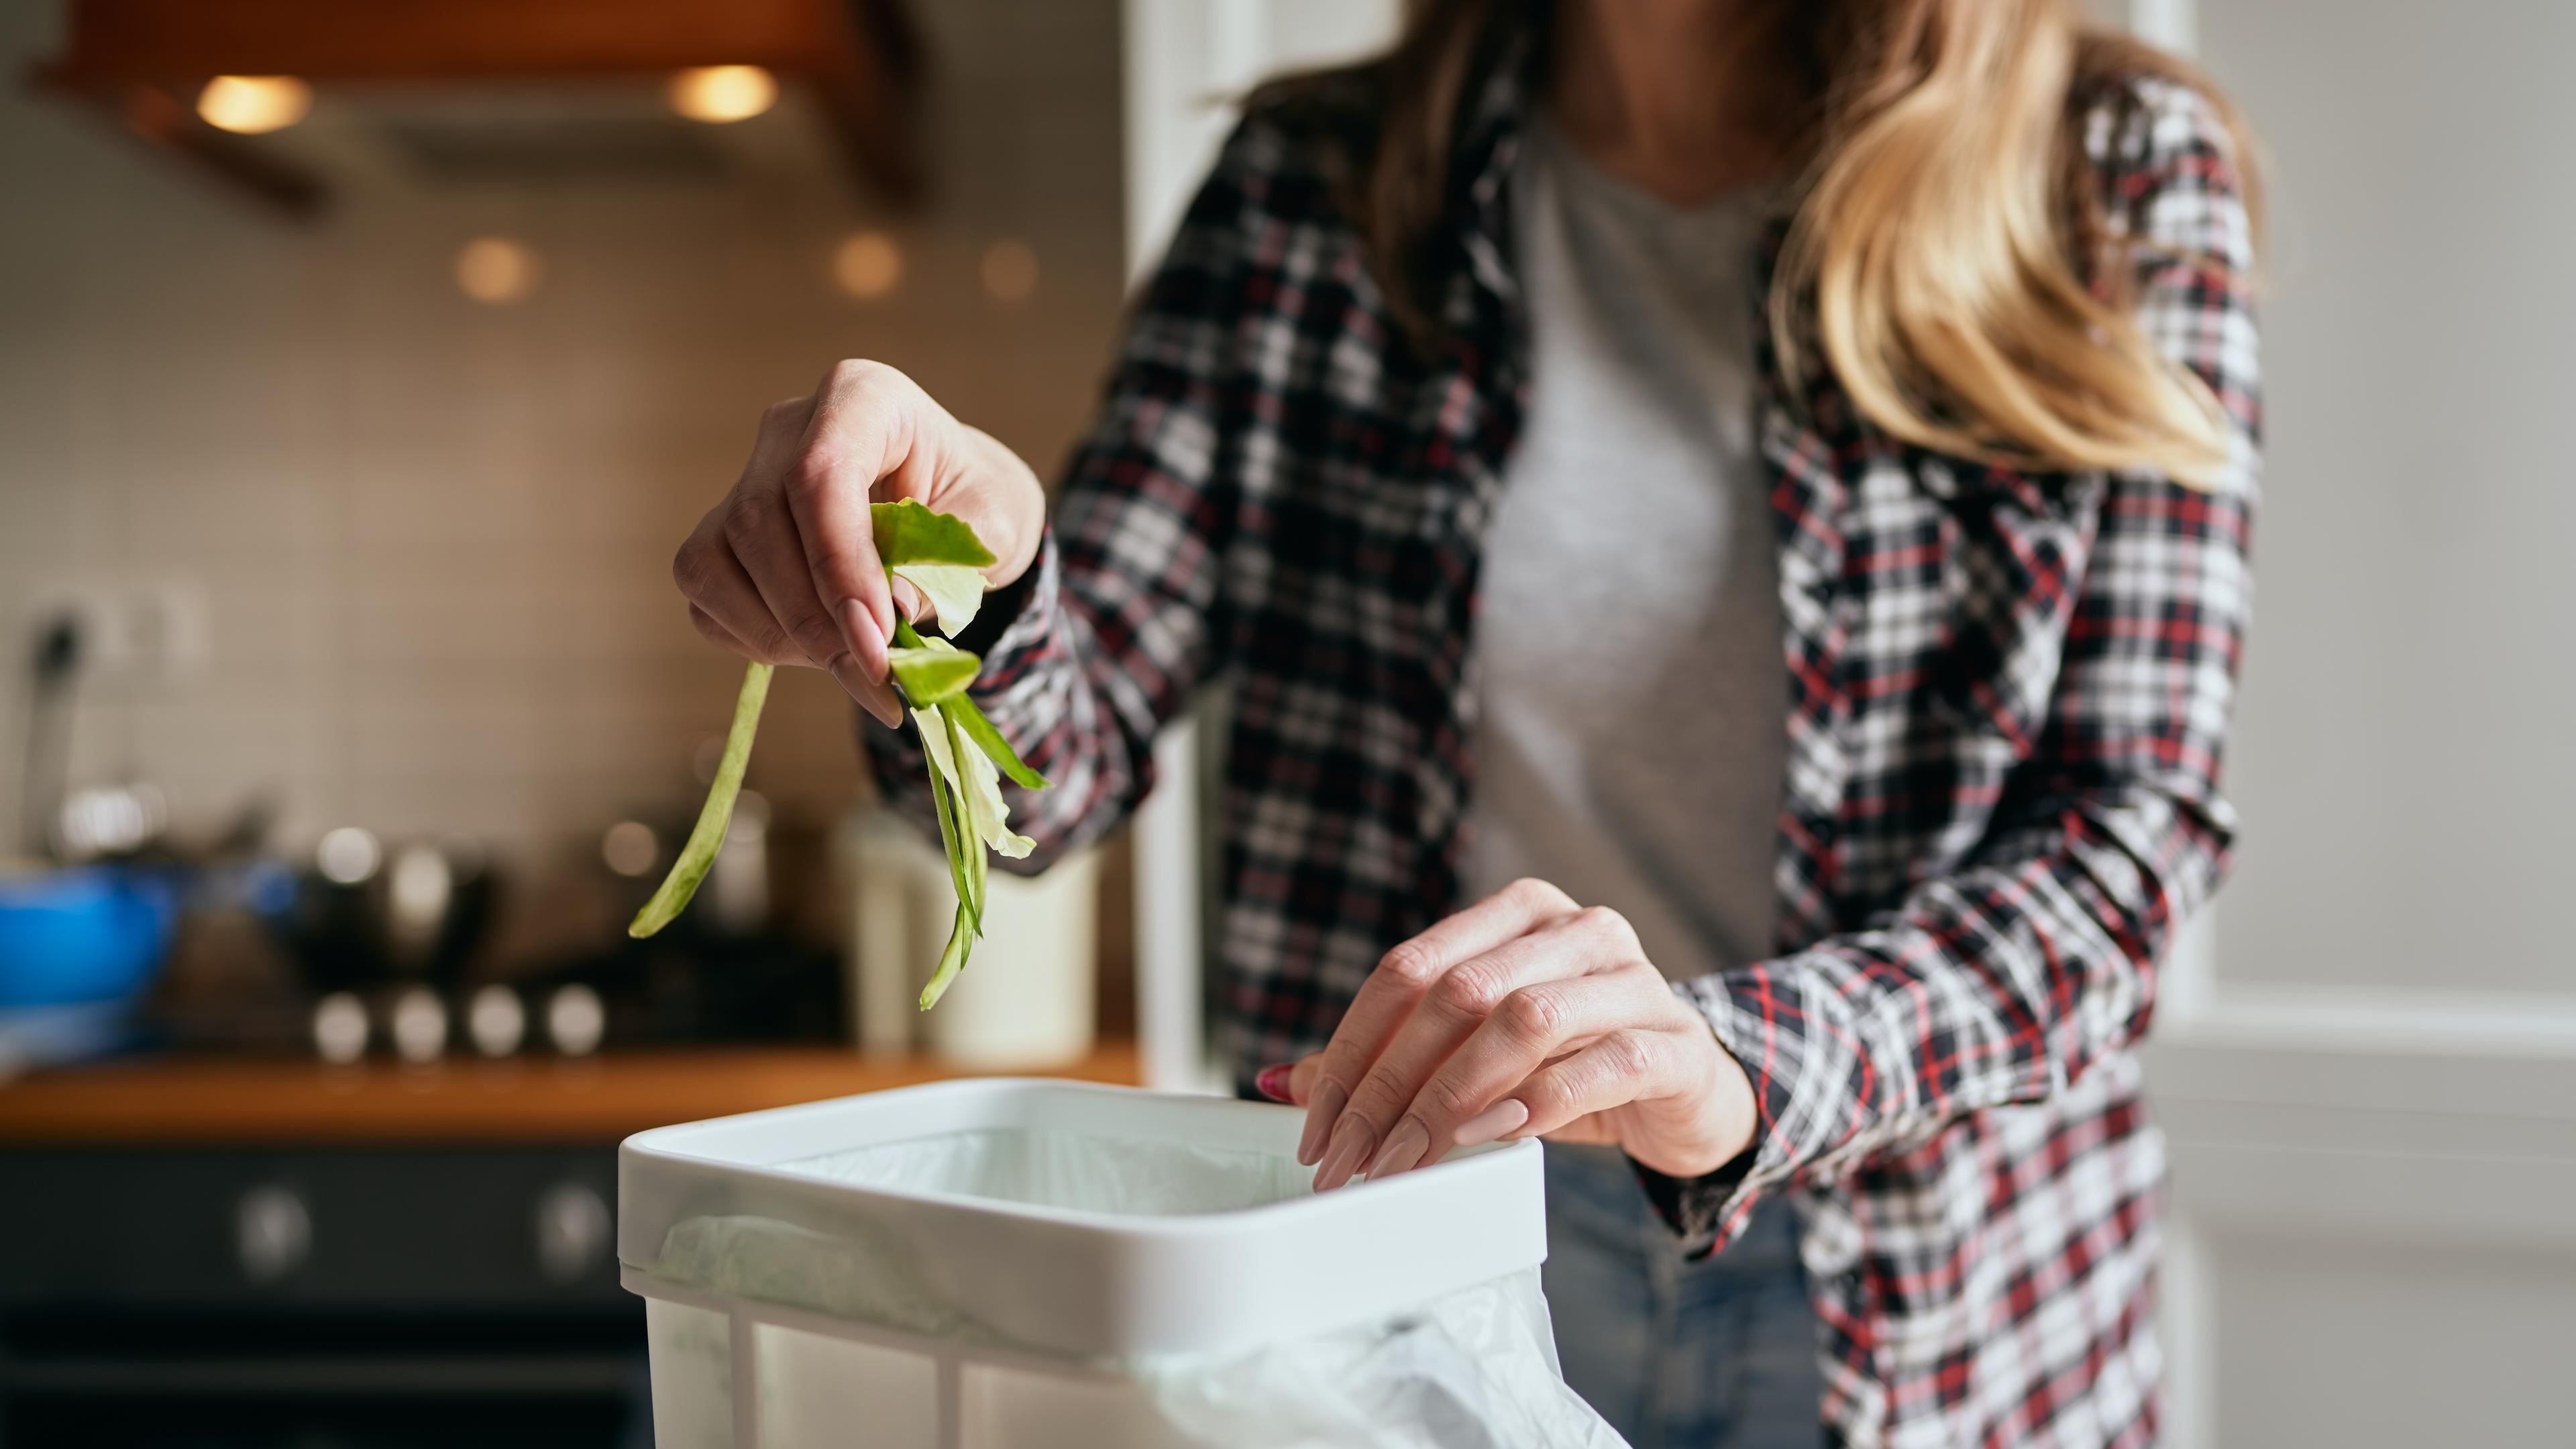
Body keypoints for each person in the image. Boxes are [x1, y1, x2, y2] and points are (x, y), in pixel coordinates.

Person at [667, 0, 2260, 1441]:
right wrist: (978, 586)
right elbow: (1057, 773)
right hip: (1398, 1264)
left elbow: (2126, 847)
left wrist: (1734, 1067)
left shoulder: (2109, 178)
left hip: (1936, 1298)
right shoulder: (1319, 187)